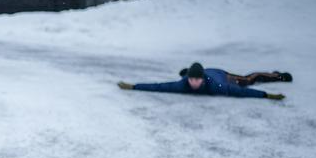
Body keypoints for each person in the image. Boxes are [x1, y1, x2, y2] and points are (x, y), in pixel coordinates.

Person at [118, 62, 289, 100]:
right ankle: (187, 70)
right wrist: (133, 86)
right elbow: (158, 86)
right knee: (182, 77)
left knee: (248, 79)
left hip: (221, 74)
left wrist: (267, 95)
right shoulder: (182, 84)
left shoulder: (217, 86)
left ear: (202, 80)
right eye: (191, 79)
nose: (193, 83)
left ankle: (277, 75)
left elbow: (242, 92)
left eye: (196, 80)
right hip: (204, 71)